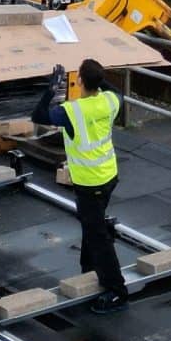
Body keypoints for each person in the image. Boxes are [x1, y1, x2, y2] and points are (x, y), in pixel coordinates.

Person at [53, 58, 129, 313]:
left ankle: (116, 290)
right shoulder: (110, 100)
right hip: (109, 176)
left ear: (80, 81)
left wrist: (51, 87)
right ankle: (89, 268)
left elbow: (42, 114)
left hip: (90, 181)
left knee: (97, 234)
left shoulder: (74, 111)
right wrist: (97, 76)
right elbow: (115, 91)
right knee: (91, 223)